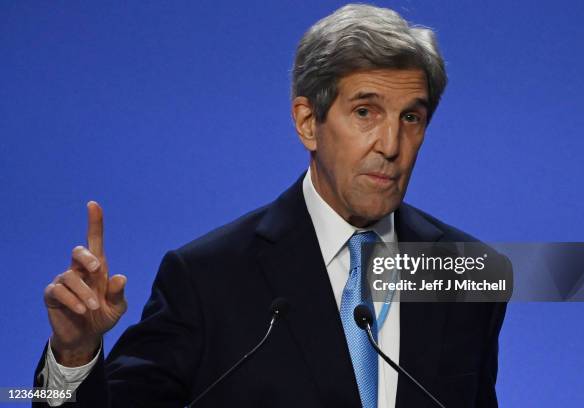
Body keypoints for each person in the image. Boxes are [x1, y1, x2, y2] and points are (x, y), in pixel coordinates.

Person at [34, 4, 507, 407]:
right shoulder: (207, 278)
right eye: (365, 112)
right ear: (307, 122)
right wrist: (73, 358)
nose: (391, 144)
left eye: (411, 117)